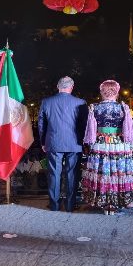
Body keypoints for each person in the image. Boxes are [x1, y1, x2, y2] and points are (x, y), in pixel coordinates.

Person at [81, 80, 133, 215]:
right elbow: (128, 130)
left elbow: (91, 131)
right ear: (117, 92)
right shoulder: (123, 107)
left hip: (100, 144)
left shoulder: (94, 107)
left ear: (102, 92)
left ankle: (103, 203)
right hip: (119, 144)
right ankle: (116, 203)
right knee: (118, 172)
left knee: (103, 172)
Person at [38, 76, 87, 212]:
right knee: (72, 174)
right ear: (71, 87)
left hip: (54, 142)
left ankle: (54, 205)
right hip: (74, 143)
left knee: (54, 174)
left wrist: (43, 142)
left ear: (58, 86)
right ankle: (70, 205)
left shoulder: (46, 102)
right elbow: (84, 125)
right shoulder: (81, 103)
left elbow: (42, 124)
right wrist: (83, 141)